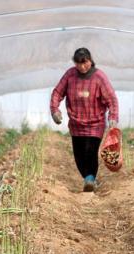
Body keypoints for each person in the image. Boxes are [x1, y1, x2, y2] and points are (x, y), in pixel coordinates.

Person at [50, 47, 119, 192]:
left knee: (90, 151)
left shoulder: (99, 77)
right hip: (76, 124)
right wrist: (55, 110)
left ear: (90, 60)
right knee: (79, 156)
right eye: (78, 63)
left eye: (85, 62)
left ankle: (90, 180)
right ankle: (89, 178)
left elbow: (111, 99)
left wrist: (113, 117)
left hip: (96, 124)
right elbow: (57, 92)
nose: (82, 66)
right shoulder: (70, 75)